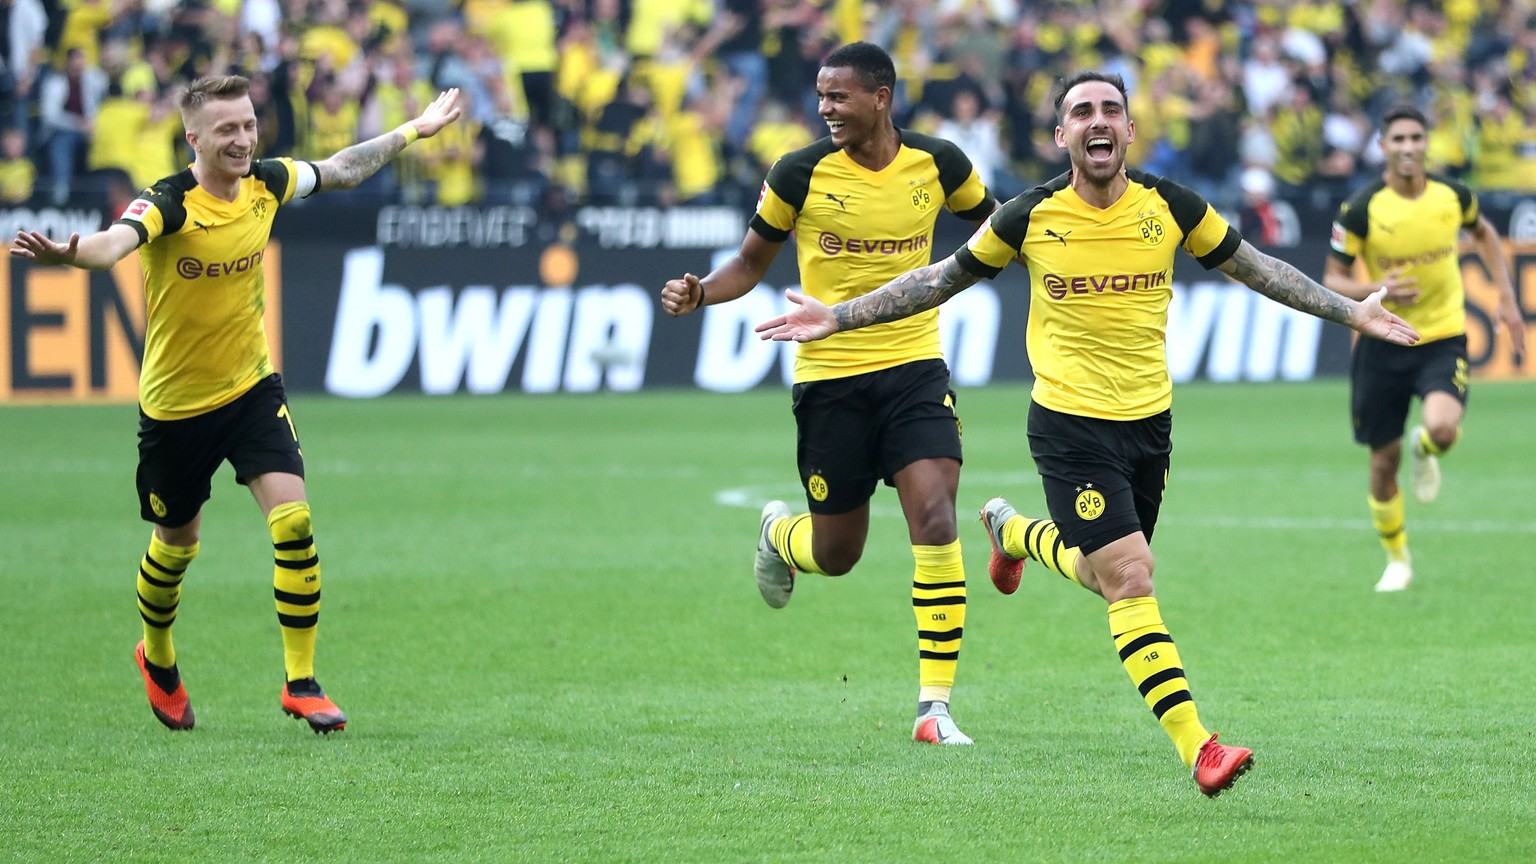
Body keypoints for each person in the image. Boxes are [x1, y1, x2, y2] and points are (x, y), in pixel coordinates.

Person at [755, 71, 1419, 794]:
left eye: (1111, 110)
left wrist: (1351, 312)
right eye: (1081, 112)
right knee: (1132, 576)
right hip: (1069, 427)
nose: (1097, 121)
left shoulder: (1169, 205)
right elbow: (938, 279)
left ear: (1130, 130)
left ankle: (1012, 534)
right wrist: (842, 315)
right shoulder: (1030, 215)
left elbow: (1256, 270)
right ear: (1061, 136)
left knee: (1107, 578)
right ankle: (1200, 747)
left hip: (1150, 426)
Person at [10, 75, 462, 733]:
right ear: (193, 138)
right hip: (176, 409)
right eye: (227, 129)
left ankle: (301, 683)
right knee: (176, 544)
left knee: (294, 523)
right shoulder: (169, 202)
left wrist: (414, 130)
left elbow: (340, 169)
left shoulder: (266, 184)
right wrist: (69, 254)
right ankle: (157, 655)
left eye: (248, 124)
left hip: (251, 390)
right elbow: (114, 243)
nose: (243, 138)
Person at [660, 42, 996, 745]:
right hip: (830, 379)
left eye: (838, 96)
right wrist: (701, 294)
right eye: (820, 96)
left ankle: (933, 707)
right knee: (839, 553)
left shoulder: (939, 163)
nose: (825, 108)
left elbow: (995, 227)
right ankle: (780, 535)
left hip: (914, 369)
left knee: (935, 515)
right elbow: (751, 264)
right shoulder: (799, 172)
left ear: (880, 97)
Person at [1322, 104, 1526, 593]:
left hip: (1441, 337)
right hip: (1383, 342)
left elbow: (1486, 234)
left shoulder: (1453, 196)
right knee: (1381, 463)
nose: (1409, 147)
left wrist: (1507, 299)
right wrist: (1377, 284)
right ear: (1383, 147)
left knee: (1443, 427)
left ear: (1427, 143)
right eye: (1399, 139)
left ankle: (1426, 446)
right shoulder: (1361, 208)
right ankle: (1397, 559)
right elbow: (1331, 278)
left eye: (1416, 138)